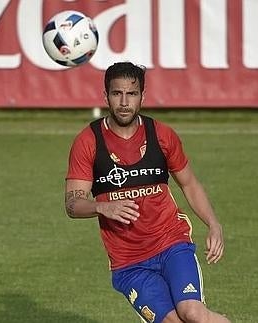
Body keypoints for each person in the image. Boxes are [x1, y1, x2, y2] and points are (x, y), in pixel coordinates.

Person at [64, 62, 229, 323]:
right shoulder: (89, 141)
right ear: (105, 96)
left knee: (193, 313)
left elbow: (189, 183)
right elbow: (72, 204)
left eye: (132, 94)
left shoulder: (162, 135)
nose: (124, 102)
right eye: (117, 94)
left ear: (143, 96)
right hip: (129, 263)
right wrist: (101, 206)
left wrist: (214, 224)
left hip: (171, 242)